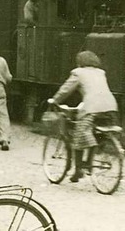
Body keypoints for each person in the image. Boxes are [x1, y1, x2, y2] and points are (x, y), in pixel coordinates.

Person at [49, 51, 119, 183]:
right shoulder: (101, 72)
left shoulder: (78, 73)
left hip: (92, 107)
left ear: (80, 62)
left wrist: (55, 100)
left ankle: (78, 170)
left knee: (78, 135)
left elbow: (66, 90)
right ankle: (85, 165)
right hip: (110, 106)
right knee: (93, 132)